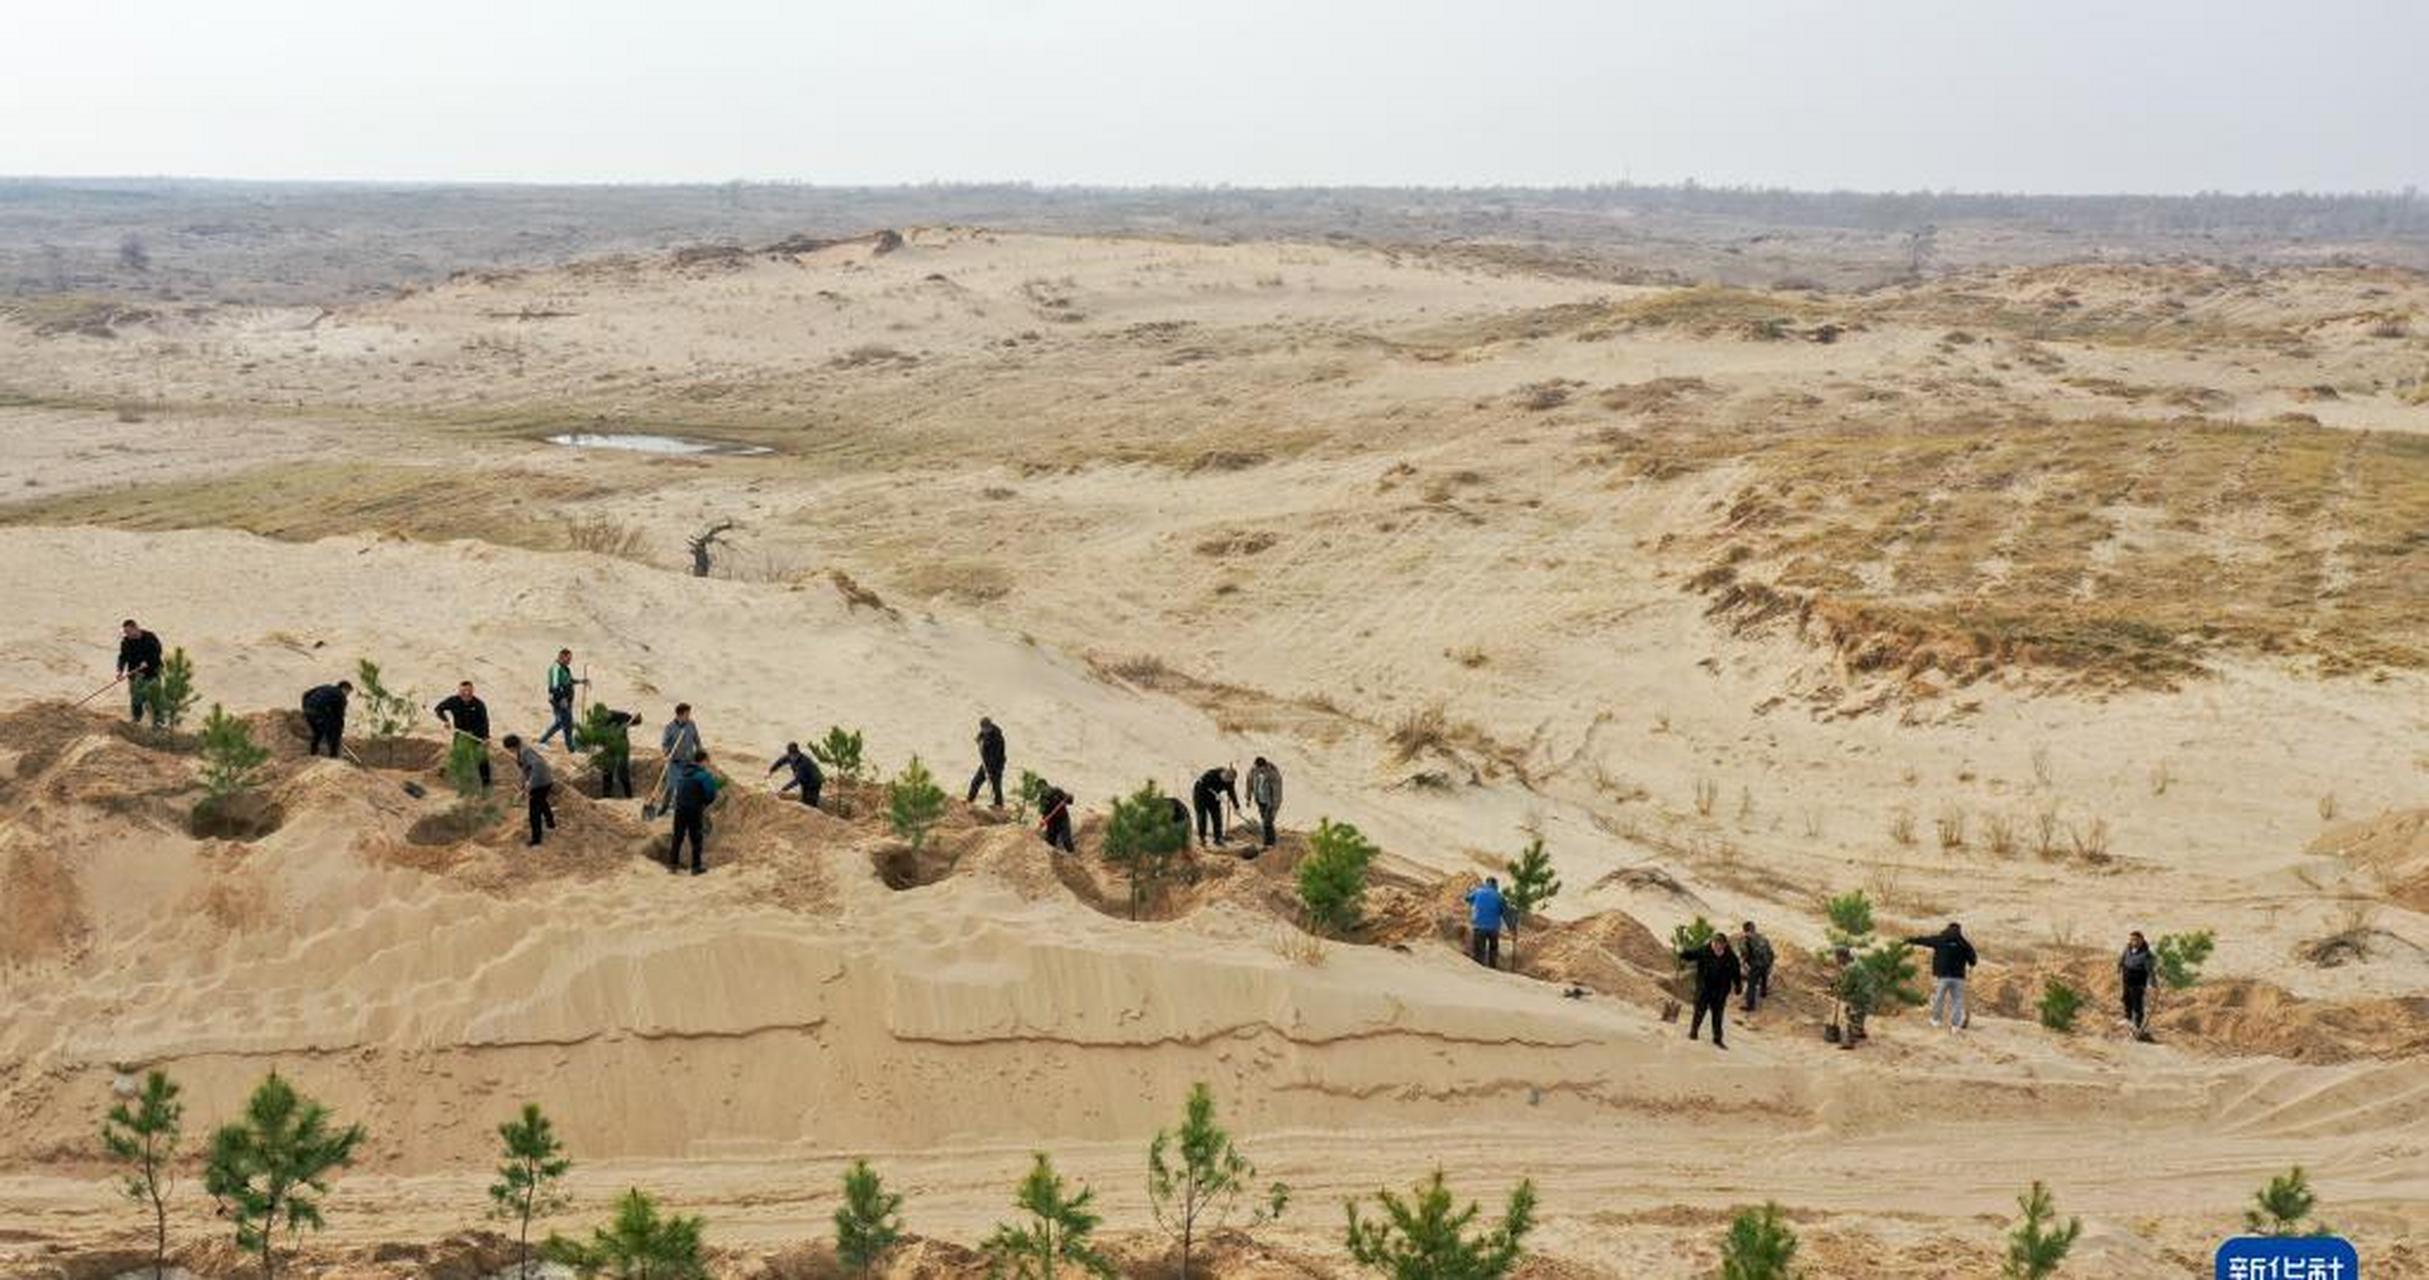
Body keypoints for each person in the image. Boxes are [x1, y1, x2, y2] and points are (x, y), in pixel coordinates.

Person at [1905, 922, 1979, 1032]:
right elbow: (1973, 960)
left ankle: (1936, 1020)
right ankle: (1955, 1025)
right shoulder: (1964, 943)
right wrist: (1970, 963)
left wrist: (1910, 940)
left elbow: (1925, 941)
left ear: (1947, 929)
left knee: (1939, 998)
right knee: (1957, 1001)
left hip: (1943, 976)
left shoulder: (1940, 939)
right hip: (1958, 977)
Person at [1679, 934, 1743, 1050]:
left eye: (1718, 945)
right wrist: (1683, 953)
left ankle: (1717, 1039)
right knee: (1699, 1011)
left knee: (1717, 1016)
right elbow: (1691, 955)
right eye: (1714, 944)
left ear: (1724, 945)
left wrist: (1738, 986)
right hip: (1704, 988)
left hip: (1720, 991)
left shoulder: (1731, 957)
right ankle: (1693, 1033)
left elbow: (1736, 972)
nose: (1715, 947)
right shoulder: (1705, 950)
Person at [432, 681, 493, 790]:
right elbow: (438, 709)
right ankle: (450, 777)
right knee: (458, 755)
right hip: (460, 733)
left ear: (472, 691)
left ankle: (486, 784)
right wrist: (445, 720)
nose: (466, 693)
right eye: (463, 691)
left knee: (482, 758)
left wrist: (486, 737)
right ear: (459, 691)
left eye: (468, 691)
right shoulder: (453, 701)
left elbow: (485, 721)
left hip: (476, 735)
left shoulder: (479, 704)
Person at [668, 751, 720, 875]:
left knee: (677, 837)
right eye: (708, 761)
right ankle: (696, 867)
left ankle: (672, 865)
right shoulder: (704, 775)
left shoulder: (683, 773)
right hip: (694, 809)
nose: (708, 764)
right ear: (703, 761)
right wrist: (704, 803)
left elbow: (677, 791)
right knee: (696, 838)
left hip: (679, 808)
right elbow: (711, 794)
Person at [502, 733, 555, 847]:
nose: (509, 752)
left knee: (534, 812)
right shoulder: (522, 750)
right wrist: (523, 786)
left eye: (509, 749)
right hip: (544, 781)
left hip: (541, 782)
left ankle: (536, 839)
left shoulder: (526, 751)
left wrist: (530, 783)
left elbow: (538, 765)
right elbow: (525, 770)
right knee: (542, 802)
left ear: (513, 746)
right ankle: (551, 823)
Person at [537, 649, 588, 752]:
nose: (569, 661)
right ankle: (571, 748)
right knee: (568, 724)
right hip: (559, 700)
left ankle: (543, 740)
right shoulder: (555, 669)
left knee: (560, 722)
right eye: (568, 658)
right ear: (561, 657)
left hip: (566, 700)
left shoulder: (565, 669)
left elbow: (569, 681)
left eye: (570, 659)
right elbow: (554, 687)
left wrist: (581, 681)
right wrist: (562, 699)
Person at [116, 619, 164, 725]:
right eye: (125, 632)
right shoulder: (126, 642)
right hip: (134, 675)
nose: (127, 634)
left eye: (128, 632)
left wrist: (147, 662)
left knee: (154, 699)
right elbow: (122, 657)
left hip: (152, 673)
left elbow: (158, 652)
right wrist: (120, 670)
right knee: (136, 698)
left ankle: (158, 722)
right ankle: (136, 719)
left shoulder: (150, 637)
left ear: (136, 628)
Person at [586, 707, 642, 798]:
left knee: (622, 771)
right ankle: (606, 797)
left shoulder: (620, 716)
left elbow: (637, 721)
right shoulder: (598, 725)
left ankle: (629, 796)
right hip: (609, 747)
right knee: (607, 770)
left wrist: (636, 717)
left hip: (622, 746)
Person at [1827, 946, 1875, 1049]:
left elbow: (1846, 987)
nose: (1836, 960)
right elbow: (1845, 980)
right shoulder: (1855, 963)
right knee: (1859, 1013)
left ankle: (1849, 1041)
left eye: (1836, 957)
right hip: (1867, 995)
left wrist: (1835, 991)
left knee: (1850, 1013)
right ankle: (1860, 1032)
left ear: (1842, 957)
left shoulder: (1851, 968)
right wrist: (1836, 984)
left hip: (1860, 996)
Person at [299, 680, 353, 758]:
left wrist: (305, 708)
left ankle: (313, 752)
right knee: (333, 732)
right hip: (319, 713)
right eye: (348, 692)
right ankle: (333, 755)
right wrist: (339, 734)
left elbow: (306, 694)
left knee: (318, 732)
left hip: (308, 710)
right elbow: (339, 717)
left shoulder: (326, 687)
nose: (347, 695)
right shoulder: (340, 696)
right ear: (344, 688)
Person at [1190, 766, 1241, 847]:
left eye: (1230, 780)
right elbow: (1203, 784)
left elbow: (1232, 793)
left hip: (1214, 798)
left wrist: (1237, 807)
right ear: (1224, 774)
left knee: (1217, 816)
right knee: (1202, 816)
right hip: (1200, 794)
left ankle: (1218, 838)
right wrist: (1215, 793)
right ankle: (1202, 838)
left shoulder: (1229, 782)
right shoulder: (1212, 774)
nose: (1227, 781)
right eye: (1226, 779)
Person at [2119, 930, 2157, 1034]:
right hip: (2126, 980)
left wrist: (2153, 983)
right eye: (2131, 939)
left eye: (2135, 939)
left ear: (2141, 940)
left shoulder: (2146, 954)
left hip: (2138, 983)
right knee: (2126, 999)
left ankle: (2138, 1024)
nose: (2133, 941)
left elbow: (2150, 970)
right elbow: (2122, 959)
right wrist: (2119, 967)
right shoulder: (2127, 949)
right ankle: (2127, 1019)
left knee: (2137, 1004)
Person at [1465, 876, 1506, 970]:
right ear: (1495, 885)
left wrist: (1468, 891)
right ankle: (1492, 968)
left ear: (1486, 883)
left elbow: (1467, 898)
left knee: (1479, 951)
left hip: (1479, 926)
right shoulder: (1499, 896)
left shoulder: (1478, 891)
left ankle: (1478, 970)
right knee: (1493, 950)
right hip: (1494, 928)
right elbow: (1504, 911)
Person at [966, 716, 1007, 807]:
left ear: (990, 727)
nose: (984, 731)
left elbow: (996, 756)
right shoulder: (985, 732)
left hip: (996, 765)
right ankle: (970, 800)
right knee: (976, 782)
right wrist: (979, 738)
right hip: (986, 762)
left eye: (985, 729)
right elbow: (981, 734)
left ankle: (999, 805)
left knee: (996, 785)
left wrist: (989, 770)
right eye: (982, 729)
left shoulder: (998, 738)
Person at [770, 741, 824, 808]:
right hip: (805, 780)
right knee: (804, 799)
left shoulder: (803, 763)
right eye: (791, 755)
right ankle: (805, 803)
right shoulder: (790, 756)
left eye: (794, 756)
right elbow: (781, 761)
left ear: (797, 753)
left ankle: (814, 810)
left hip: (814, 781)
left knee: (810, 803)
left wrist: (783, 789)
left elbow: (796, 780)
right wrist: (771, 771)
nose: (792, 757)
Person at [1245, 756, 1283, 850]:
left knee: (1267, 822)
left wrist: (1274, 809)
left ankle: (1268, 844)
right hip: (1260, 801)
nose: (1258, 770)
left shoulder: (1273, 774)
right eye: (1256, 768)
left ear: (1264, 766)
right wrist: (1248, 798)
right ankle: (1270, 842)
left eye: (1260, 769)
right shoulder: (1253, 770)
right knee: (1266, 822)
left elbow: (1277, 793)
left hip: (1270, 802)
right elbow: (1249, 783)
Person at [1739, 921, 1776, 1013]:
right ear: (1754, 928)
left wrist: (1743, 963)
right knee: (1764, 977)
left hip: (1756, 965)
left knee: (1751, 985)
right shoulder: (1763, 937)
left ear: (1744, 930)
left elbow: (1745, 953)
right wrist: (1770, 963)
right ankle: (1763, 993)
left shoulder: (1746, 939)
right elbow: (1771, 952)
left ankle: (1750, 1006)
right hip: (1766, 963)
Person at [1036, 780, 1076, 853]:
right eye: (1040, 789)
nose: (1042, 791)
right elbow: (1044, 812)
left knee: (1066, 839)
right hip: (1051, 821)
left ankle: (1072, 855)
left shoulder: (1057, 791)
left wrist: (1070, 797)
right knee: (1050, 842)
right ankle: (1053, 858)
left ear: (1047, 786)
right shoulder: (1042, 799)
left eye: (1043, 788)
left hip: (1063, 819)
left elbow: (1070, 801)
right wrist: (1043, 820)